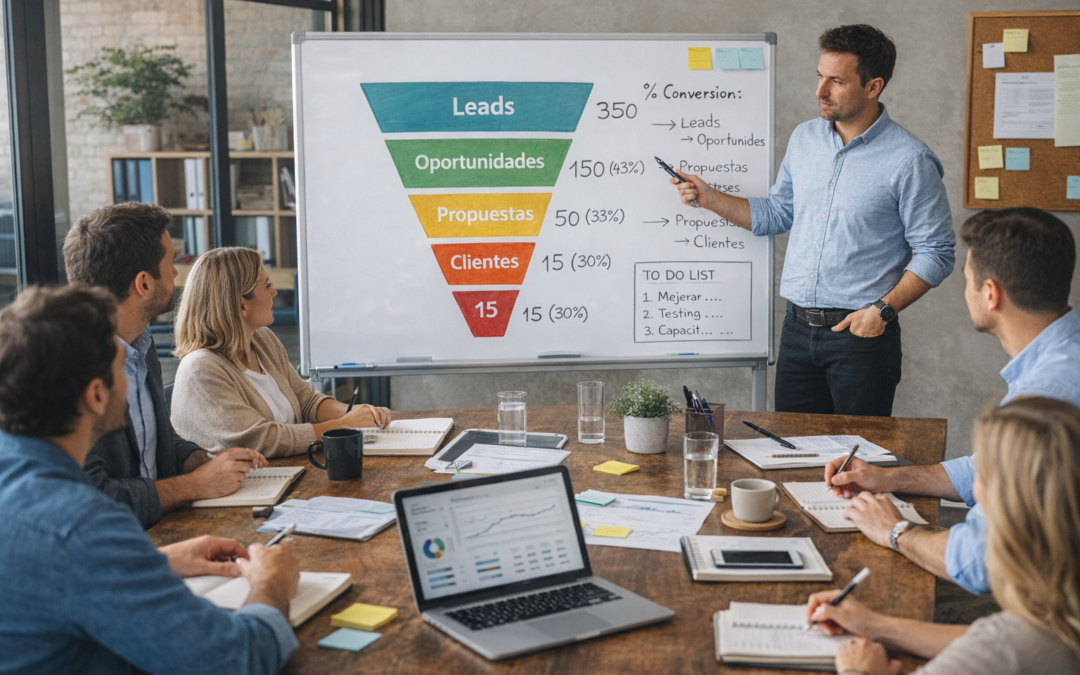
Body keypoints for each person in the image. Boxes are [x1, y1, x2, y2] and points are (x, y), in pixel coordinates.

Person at [0, 284, 300, 674]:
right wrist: (271, 583)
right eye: (120, 364)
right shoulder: (84, 528)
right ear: (95, 395)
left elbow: (48, 577)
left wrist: (156, 560)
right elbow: (236, 659)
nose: (131, 375)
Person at [671, 24, 955, 417]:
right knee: (792, 455)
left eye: (835, 81)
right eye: (820, 76)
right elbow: (776, 214)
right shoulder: (805, 139)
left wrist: (882, 312)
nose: (819, 91)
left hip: (860, 337)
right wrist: (708, 197)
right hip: (797, 332)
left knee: (856, 462)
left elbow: (937, 252)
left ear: (873, 86)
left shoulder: (910, 160)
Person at [824, 207, 1080, 594]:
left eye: (967, 280)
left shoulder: (1045, 395)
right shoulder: (1061, 361)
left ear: (990, 294)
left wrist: (894, 529)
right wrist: (887, 478)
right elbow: (988, 469)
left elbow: (978, 561)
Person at [808, 397, 1080, 675]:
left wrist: (858, 671)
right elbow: (984, 641)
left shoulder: (1010, 645)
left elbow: (998, 645)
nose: (974, 489)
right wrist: (878, 627)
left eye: (982, 475)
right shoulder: (1058, 615)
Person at [63, 203, 268, 528]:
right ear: (143, 284)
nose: (176, 273)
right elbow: (91, 497)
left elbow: (157, 437)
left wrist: (209, 461)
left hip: (167, 531)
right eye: (170, 262)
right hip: (114, 550)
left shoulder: (141, 345)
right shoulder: (69, 374)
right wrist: (196, 484)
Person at [170, 247, 389, 457]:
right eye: (267, 286)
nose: (274, 292)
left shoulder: (263, 339)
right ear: (241, 305)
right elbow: (261, 439)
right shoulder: (200, 368)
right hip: (247, 489)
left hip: (290, 471)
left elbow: (306, 401)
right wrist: (343, 426)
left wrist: (353, 413)